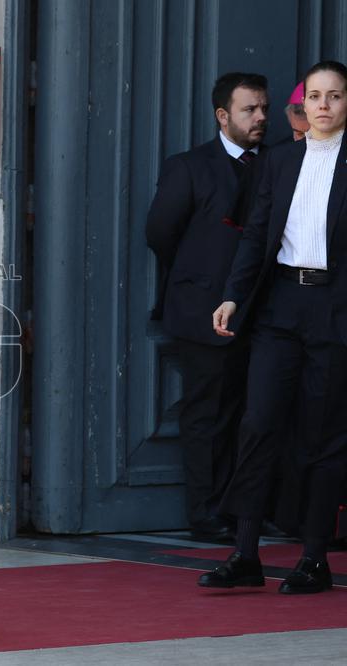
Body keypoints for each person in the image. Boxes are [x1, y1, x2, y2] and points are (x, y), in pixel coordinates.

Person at [200, 60, 347, 594]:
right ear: (302, 105)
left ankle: (314, 560)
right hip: (280, 306)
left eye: (334, 96)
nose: (324, 105)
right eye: (314, 96)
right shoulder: (280, 161)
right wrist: (234, 296)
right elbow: (256, 233)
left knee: (321, 437)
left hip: (335, 309)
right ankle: (245, 554)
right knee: (257, 425)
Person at [146, 72, 269, 540]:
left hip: (263, 312)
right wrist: (203, 278)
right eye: (248, 110)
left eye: (263, 108)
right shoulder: (189, 166)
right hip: (201, 312)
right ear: (223, 115)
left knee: (252, 413)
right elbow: (160, 233)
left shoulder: (275, 163)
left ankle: (246, 509)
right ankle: (206, 513)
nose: (260, 118)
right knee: (207, 413)